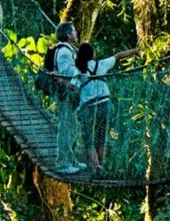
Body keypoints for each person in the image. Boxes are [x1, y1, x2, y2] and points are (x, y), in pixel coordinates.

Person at [74, 43, 138, 172]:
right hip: (105, 105)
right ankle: (100, 167)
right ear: (92, 54)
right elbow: (119, 56)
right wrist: (136, 50)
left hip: (88, 108)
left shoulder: (78, 70)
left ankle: (96, 167)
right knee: (101, 137)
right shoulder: (101, 65)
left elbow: (73, 87)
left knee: (88, 140)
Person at [53, 21, 86, 174]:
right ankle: (63, 164)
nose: (76, 33)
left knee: (72, 127)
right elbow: (67, 72)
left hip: (70, 94)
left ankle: (71, 160)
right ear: (68, 35)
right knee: (66, 128)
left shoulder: (69, 50)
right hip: (66, 94)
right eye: (73, 31)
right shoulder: (65, 52)